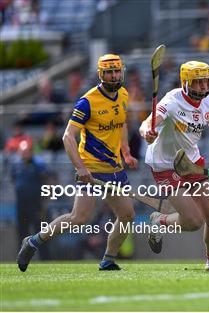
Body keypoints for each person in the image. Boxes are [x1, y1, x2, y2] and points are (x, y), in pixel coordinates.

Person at [16, 54, 138, 271]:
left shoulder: (123, 95)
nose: (113, 75)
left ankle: (108, 259)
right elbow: (67, 136)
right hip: (91, 167)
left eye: (116, 70)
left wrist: (126, 151)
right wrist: (80, 167)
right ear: (101, 74)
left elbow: (121, 124)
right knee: (79, 217)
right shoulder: (88, 101)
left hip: (115, 168)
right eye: (109, 72)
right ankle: (33, 241)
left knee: (127, 215)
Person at [139, 61, 209, 272]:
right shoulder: (172, 100)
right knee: (193, 221)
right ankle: (160, 220)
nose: (203, 87)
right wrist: (147, 132)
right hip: (164, 164)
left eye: (206, 81)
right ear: (186, 82)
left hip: (190, 161)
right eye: (198, 82)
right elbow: (146, 123)